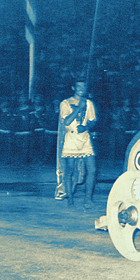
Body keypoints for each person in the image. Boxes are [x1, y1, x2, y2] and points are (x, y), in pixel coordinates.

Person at [58, 79, 97, 208]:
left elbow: (92, 120)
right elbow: (67, 122)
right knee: (70, 171)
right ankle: (70, 199)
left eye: (84, 86)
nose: (81, 88)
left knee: (92, 169)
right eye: (79, 86)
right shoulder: (65, 103)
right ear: (73, 87)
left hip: (85, 138)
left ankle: (88, 199)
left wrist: (86, 127)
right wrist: (79, 108)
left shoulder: (89, 103)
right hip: (72, 139)